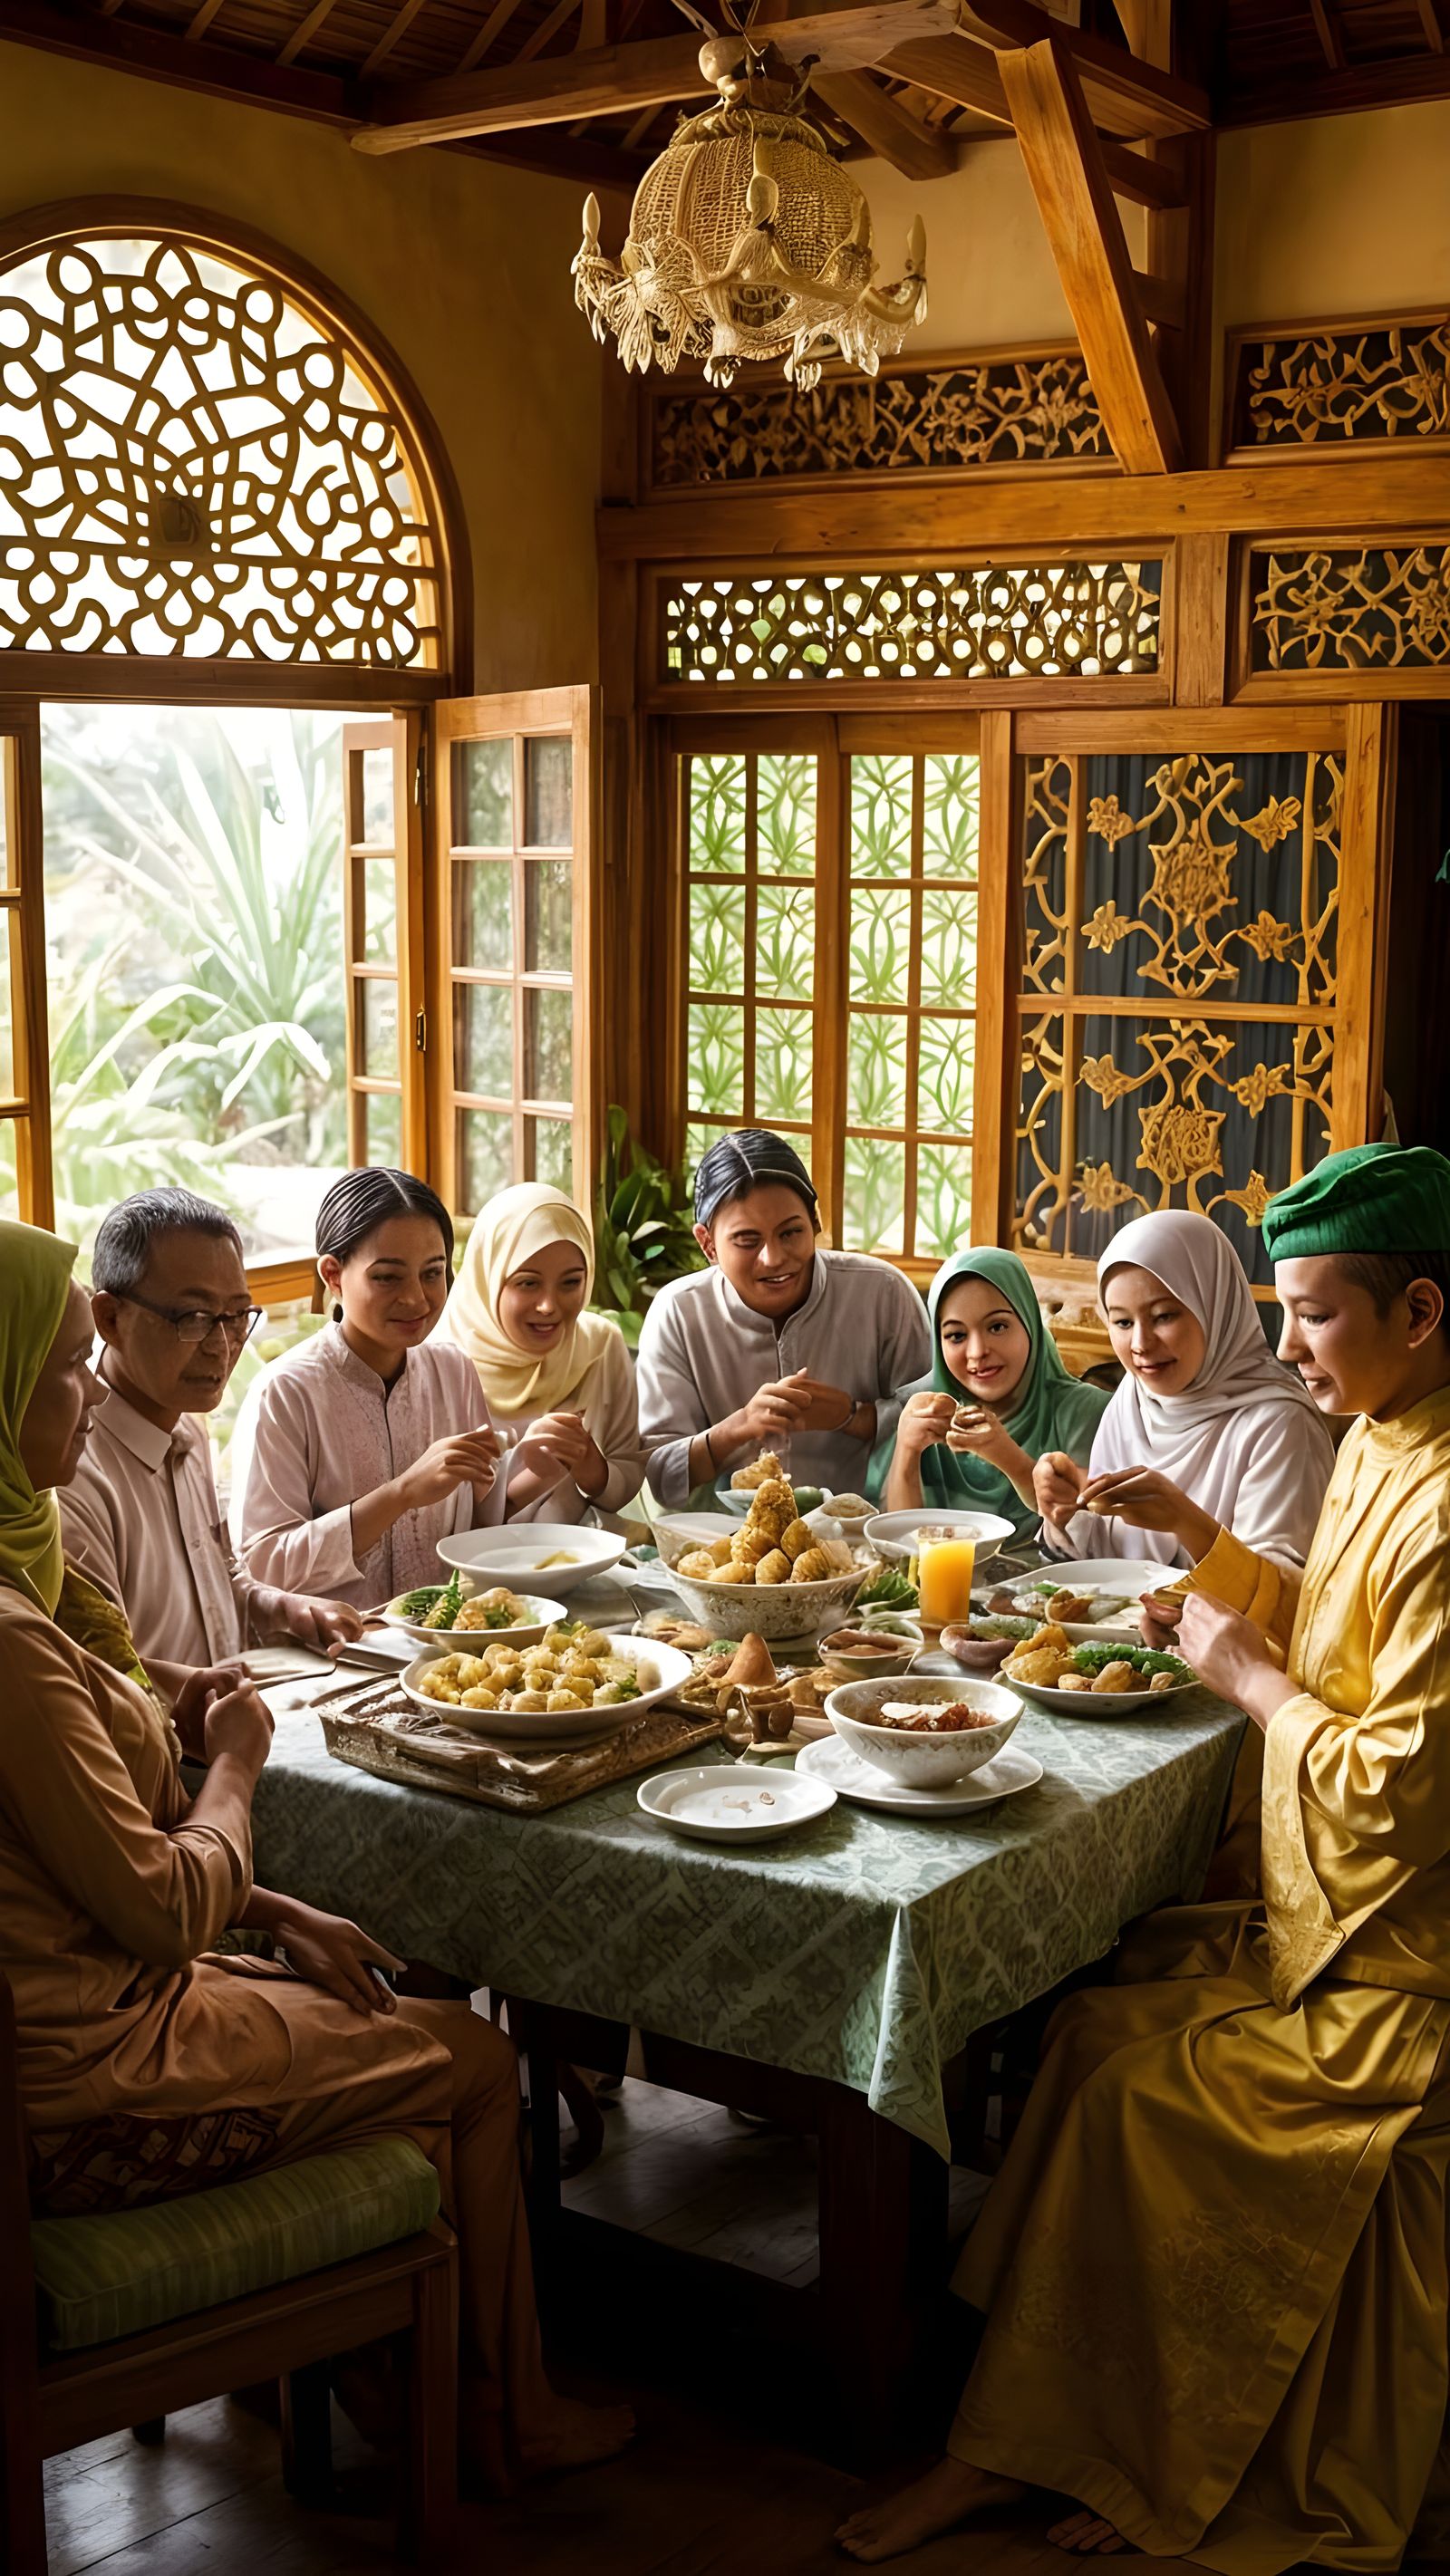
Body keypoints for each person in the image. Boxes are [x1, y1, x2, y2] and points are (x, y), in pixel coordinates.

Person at [837, 1141, 1450, 2571]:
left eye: (1312, 1313)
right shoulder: (1383, 1428)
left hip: (1406, 1959)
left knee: (1137, 2095)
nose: (1290, 1346)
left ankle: (1136, 2450)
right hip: (1337, 1915)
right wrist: (1225, 1581)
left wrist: (1246, 1680)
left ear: (1417, 1309)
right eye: (1282, 1310)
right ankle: (1014, 2423)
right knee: (1091, 2026)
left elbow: (1400, 1791)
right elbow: (1327, 1617)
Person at [0, 1217, 632, 2488]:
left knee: (390, 2002)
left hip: (116, 1996)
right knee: (467, 2054)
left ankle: (403, 2377)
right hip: (91, 2076)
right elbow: (167, 1902)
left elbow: (91, 1856)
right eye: (61, 1365)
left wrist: (279, 1909)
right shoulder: (15, 1631)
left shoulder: (27, 1574)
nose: (75, 1391)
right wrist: (233, 1757)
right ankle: (505, 2413)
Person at [61, 1188, 362, 1694]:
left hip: (227, 1728)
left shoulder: (186, 1428)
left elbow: (214, 1574)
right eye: (193, 1319)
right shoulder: (75, 1477)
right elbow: (102, 1679)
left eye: (237, 1316)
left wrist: (281, 1607)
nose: (222, 1348)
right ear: (110, 1319)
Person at [230, 1169, 508, 1611]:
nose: (417, 1299)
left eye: (433, 1274)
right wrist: (399, 1495)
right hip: (330, 1658)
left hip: (448, 1652)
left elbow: (483, 1524)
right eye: (388, 1277)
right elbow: (262, 1565)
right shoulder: (285, 1393)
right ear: (333, 1274)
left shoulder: (454, 1372)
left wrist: (536, 1467)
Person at [637, 1129, 930, 1510]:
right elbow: (659, 1475)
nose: (773, 1258)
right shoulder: (677, 1312)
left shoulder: (883, 1293)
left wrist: (852, 1416)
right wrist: (737, 1427)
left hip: (864, 1540)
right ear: (707, 1243)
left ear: (816, 1220)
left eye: (791, 1232)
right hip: (725, 1549)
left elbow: (937, 1431)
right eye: (747, 1240)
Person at [1033, 1208, 1333, 1570]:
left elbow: (1280, 1596)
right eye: (1123, 1322)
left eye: (1163, 1316)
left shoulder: (1279, 1423)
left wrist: (1183, 1519)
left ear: (1214, 1305)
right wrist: (1068, 1508)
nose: (1141, 1343)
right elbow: (1104, 1562)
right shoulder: (1133, 1400)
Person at [435, 1181, 647, 1523]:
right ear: (488, 1277)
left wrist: (590, 1464)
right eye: (528, 1283)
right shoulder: (438, 1364)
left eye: (571, 1283)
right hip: (471, 1570)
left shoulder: (600, 1345)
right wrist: (528, 1473)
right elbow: (428, 1526)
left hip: (581, 1564)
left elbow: (627, 1480)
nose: (549, 1306)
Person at [867, 1248, 1109, 1539]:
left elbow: (1093, 1532)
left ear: (1029, 1323)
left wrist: (1005, 1455)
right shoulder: (924, 1411)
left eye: (997, 1326)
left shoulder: (1084, 1411)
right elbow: (901, 1542)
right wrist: (907, 1451)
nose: (978, 1352)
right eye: (956, 1335)